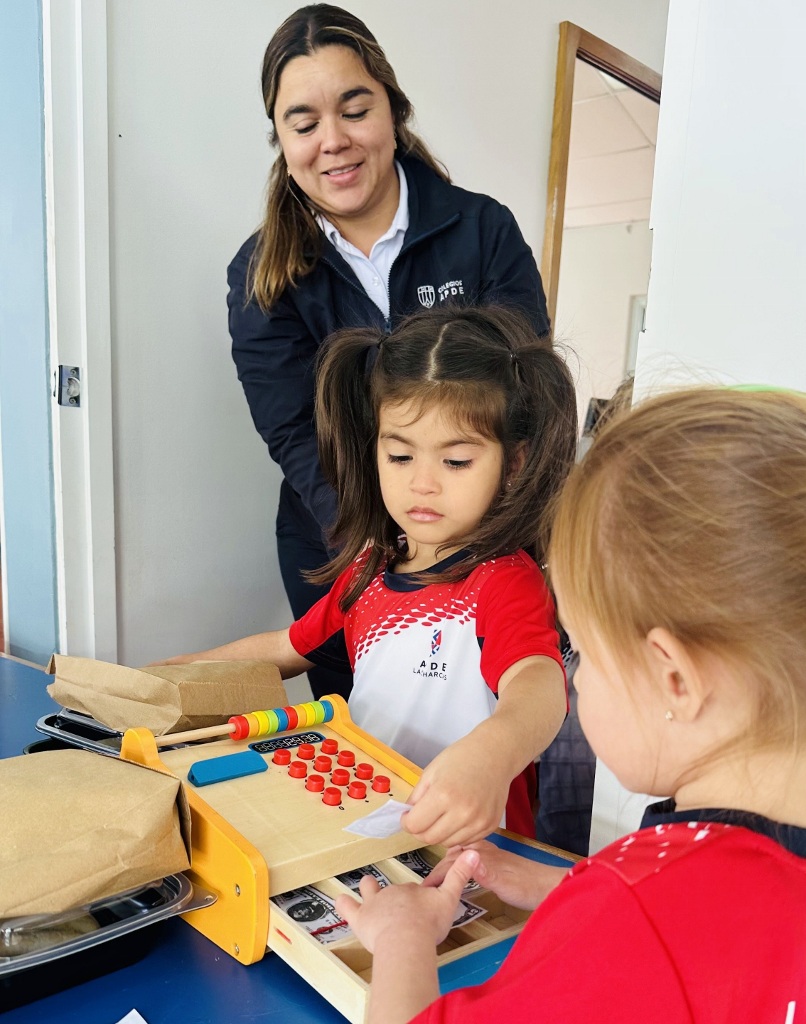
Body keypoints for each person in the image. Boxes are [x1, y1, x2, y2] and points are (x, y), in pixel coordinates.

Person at [335, 386, 806, 1023]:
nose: (576, 680)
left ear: (675, 680)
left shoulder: (633, 916)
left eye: (582, 653)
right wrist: (576, 884)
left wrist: (401, 940)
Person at [160, 305, 577, 846]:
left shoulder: (502, 581)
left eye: (455, 463)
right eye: (400, 456)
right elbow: (287, 647)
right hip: (370, 826)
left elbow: (538, 685)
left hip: (469, 852)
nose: (422, 483)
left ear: (514, 464)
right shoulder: (370, 571)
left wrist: (491, 754)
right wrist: (165, 676)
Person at [229, 4, 550, 701]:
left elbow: (522, 395)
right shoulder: (263, 273)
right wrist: (375, 549)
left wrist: (462, 543)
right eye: (304, 123)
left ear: (393, 110)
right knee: (360, 736)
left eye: (355, 109)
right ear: (281, 138)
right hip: (340, 548)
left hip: (482, 546)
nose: (333, 142)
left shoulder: (483, 229)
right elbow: (291, 429)